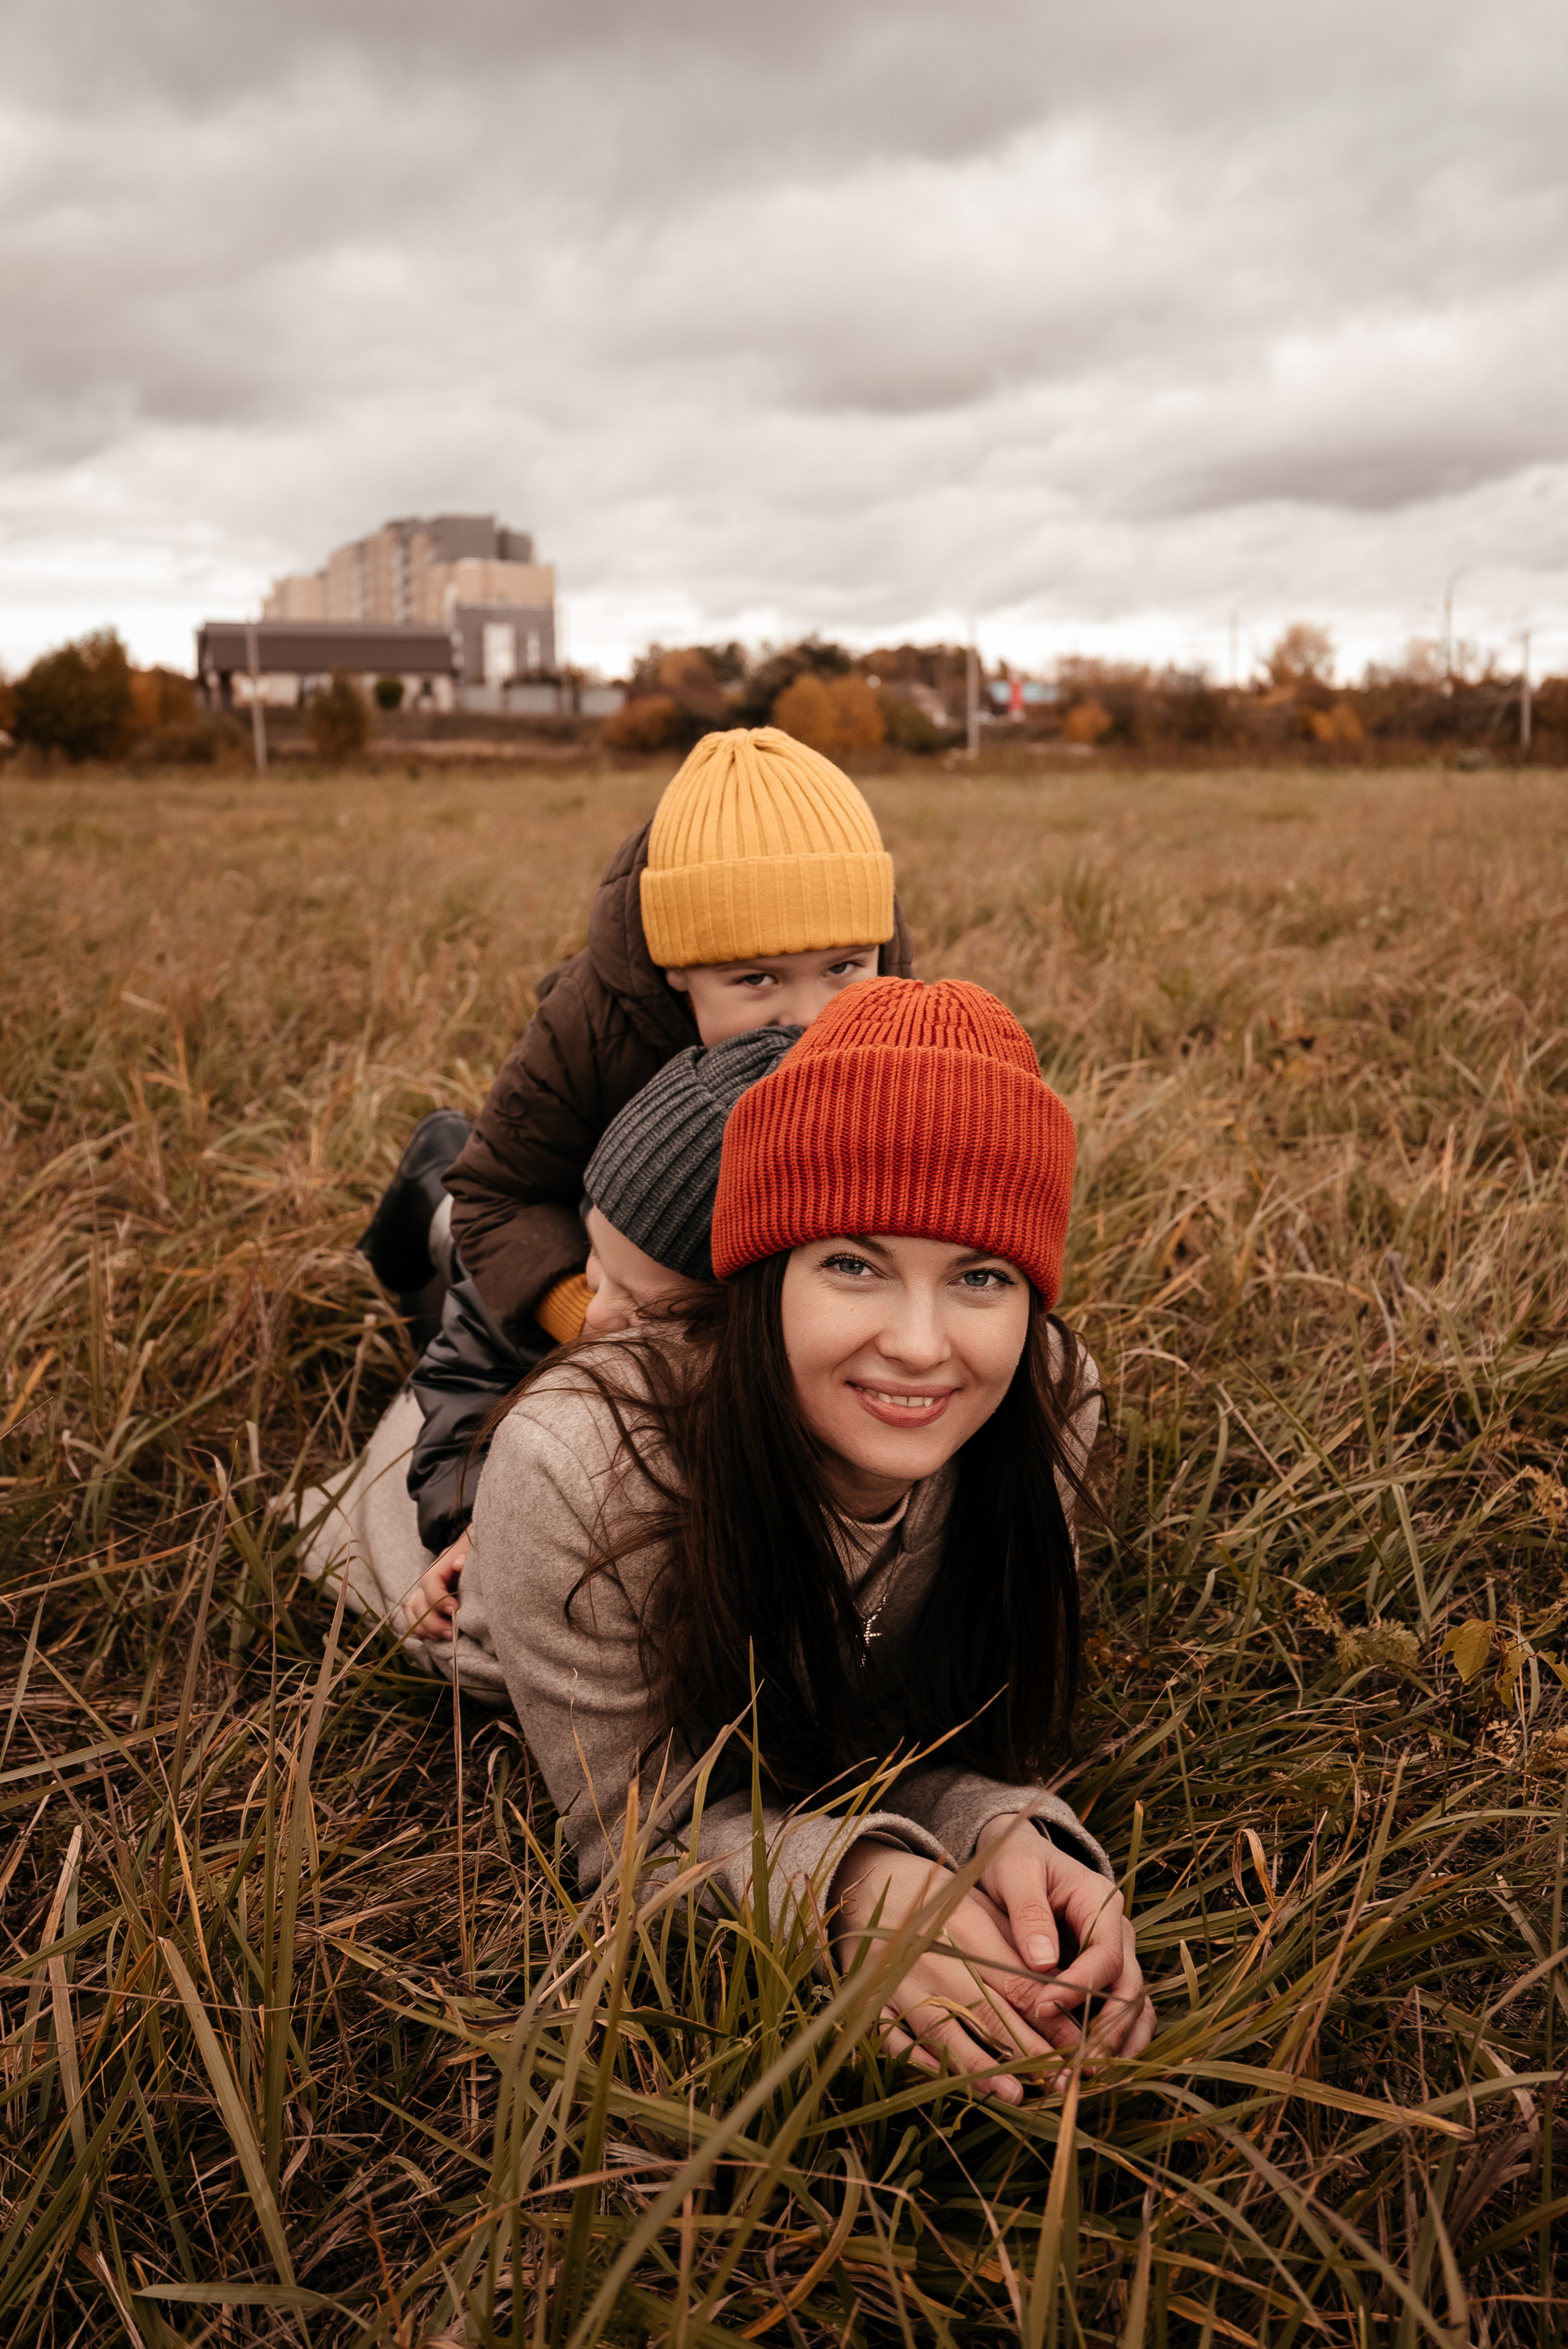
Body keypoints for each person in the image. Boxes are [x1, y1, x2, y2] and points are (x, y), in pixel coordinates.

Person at [451, 977, 1155, 2098]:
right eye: (853, 1263)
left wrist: (1002, 1827)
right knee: (445, 1330)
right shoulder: (573, 1467)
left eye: (980, 1275)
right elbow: (637, 1837)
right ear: (767, 1272)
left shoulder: (1051, 1399)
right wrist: (854, 1885)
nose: (922, 1345)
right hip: (452, 1564)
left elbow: (904, 1727)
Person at [356, 724, 914, 1537]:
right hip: (590, 1233)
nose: (808, 1018)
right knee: (473, 1274)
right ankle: (425, 1193)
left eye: (843, 967)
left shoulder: (893, 1005)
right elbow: (502, 1193)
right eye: (756, 979)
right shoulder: (589, 1022)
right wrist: (581, 1312)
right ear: (675, 963)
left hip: (720, 1250)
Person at [296, 1026, 801, 1693]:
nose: (593, 1314)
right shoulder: (597, 1277)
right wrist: (476, 1518)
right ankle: (437, 1189)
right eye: (600, 1264)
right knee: (484, 1279)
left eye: (643, 1303)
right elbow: (463, 1379)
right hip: (500, 1336)